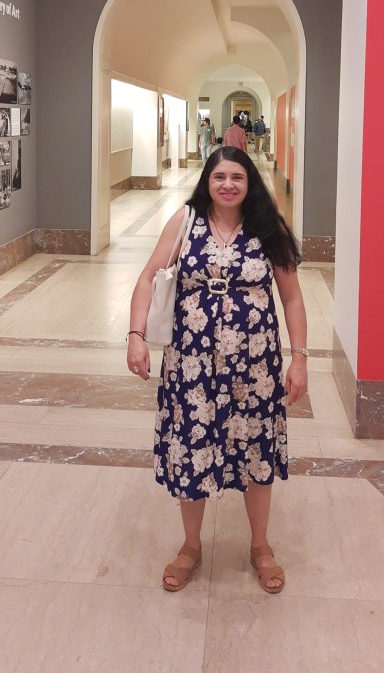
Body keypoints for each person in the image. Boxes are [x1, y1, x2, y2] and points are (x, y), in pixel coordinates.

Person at [126, 146, 308, 594]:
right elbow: (149, 276)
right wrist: (135, 335)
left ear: (250, 183)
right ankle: (190, 546)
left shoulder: (268, 227)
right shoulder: (185, 222)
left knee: (256, 451)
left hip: (255, 367)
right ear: (207, 181)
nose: (228, 185)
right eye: (219, 177)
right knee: (193, 449)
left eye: (237, 178)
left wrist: (300, 357)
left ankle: (260, 546)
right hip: (192, 365)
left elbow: (292, 298)